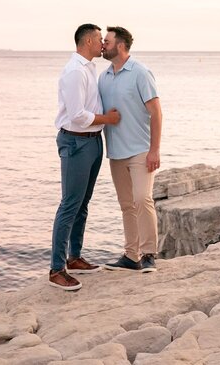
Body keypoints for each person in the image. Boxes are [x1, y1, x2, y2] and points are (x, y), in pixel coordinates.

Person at [50, 23, 121, 291]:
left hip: (93, 141)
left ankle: (74, 257)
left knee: (82, 203)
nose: (103, 44)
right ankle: (56, 269)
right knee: (69, 205)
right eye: (100, 39)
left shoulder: (90, 68)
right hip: (76, 143)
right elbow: (77, 114)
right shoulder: (74, 72)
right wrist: (109, 119)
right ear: (89, 41)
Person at [99, 26, 162, 273]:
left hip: (140, 150)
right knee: (126, 204)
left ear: (121, 45)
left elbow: (156, 112)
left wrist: (154, 149)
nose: (103, 44)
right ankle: (131, 255)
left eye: (107, 41)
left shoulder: (140, 72)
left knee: (142, 199)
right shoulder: (103, 77)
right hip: (115, 152)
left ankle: (149, 254)